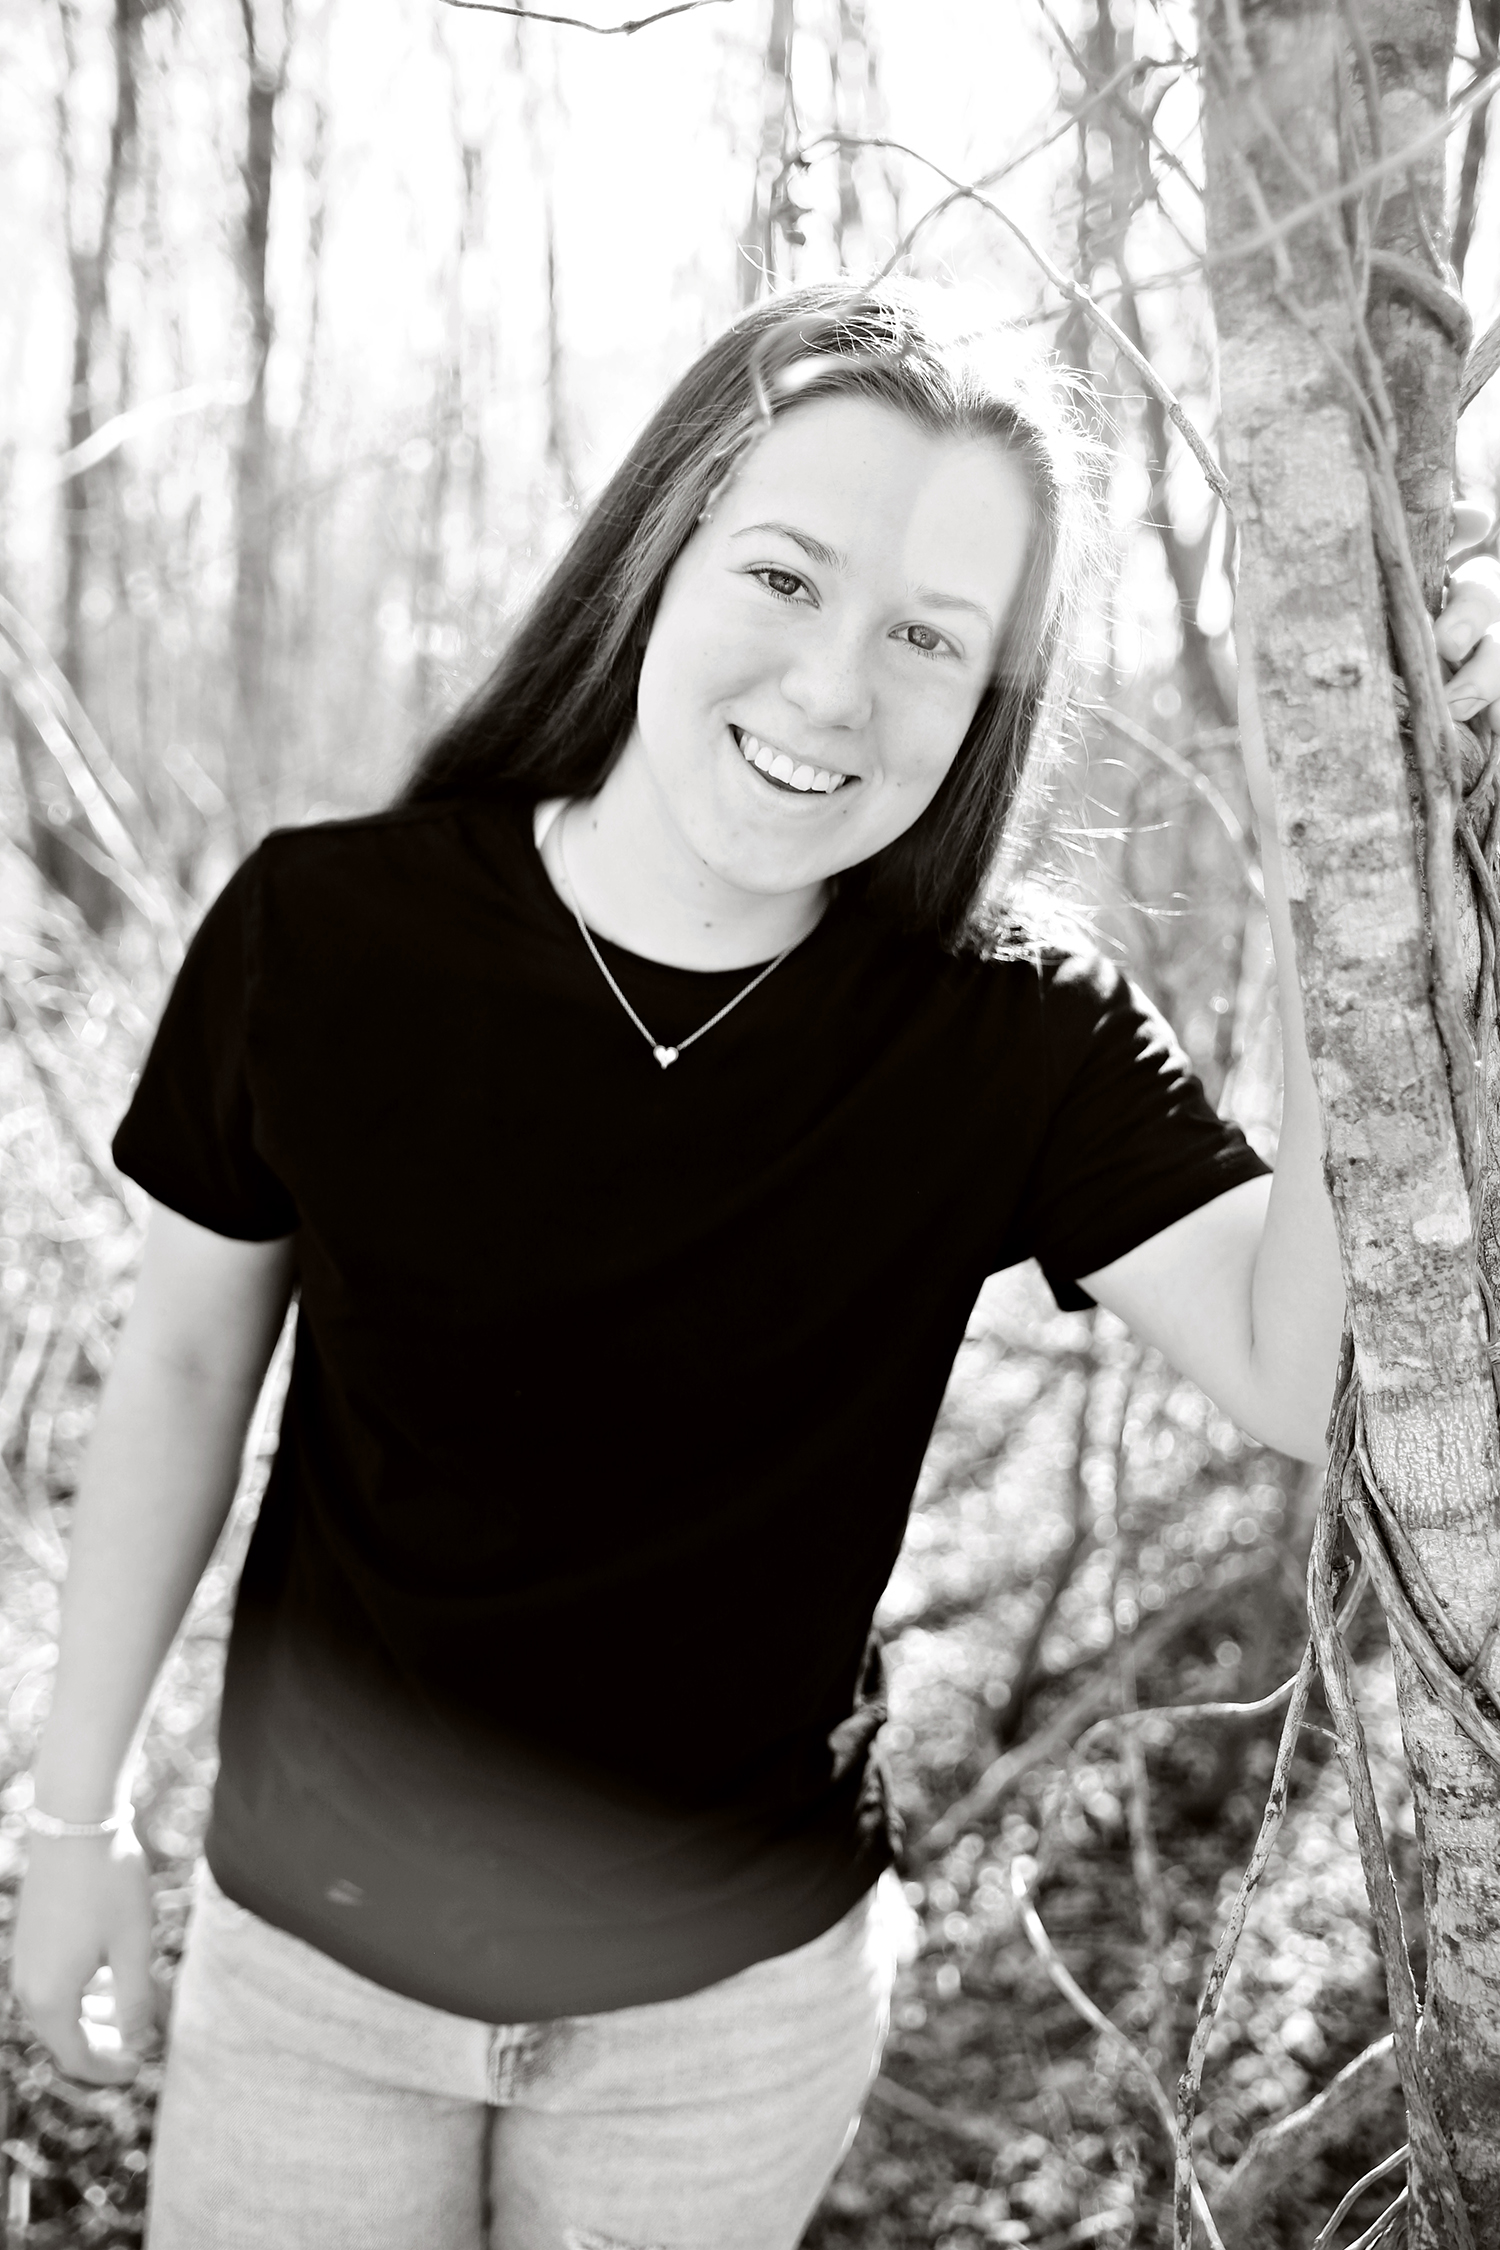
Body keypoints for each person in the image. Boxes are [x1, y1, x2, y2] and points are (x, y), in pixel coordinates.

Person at [11, 281, 1500, 2250]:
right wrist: (75, 1813)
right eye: (787, 578)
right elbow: (189, 1370)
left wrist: (1354, 867)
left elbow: (1294, 1370)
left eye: (928, 638)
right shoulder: (331, 934)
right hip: (311, 1974)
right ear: (660, 551)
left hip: (726, 2026)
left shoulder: (1010, 1036)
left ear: (989, 698)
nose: (832, 690)